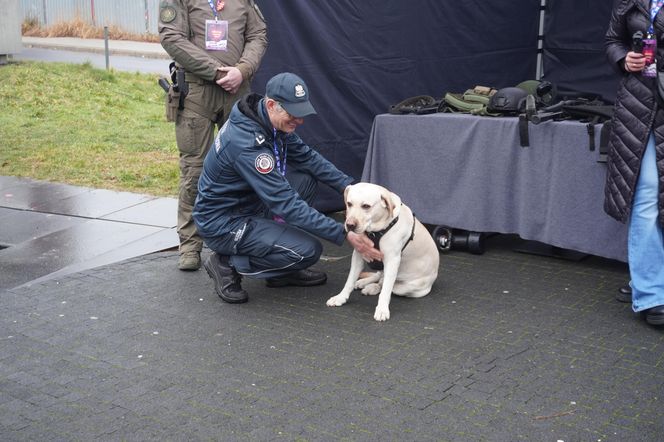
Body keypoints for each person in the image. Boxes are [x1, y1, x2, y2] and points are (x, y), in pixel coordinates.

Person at [193, 72, 382, 303]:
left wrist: (349, 188)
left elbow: (308, 158)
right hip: (224, 223)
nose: (299, 121)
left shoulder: (267, 121)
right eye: (294, 114)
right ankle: (226, 263)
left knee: (306, 179)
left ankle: (280, 273)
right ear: (272, 105)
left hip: (250, 205)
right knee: (309, 250)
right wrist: (344, 233)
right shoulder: (246, 144)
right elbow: (286, 204)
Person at [158, 0, 268, 271]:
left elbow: (258, 35)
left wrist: (241, 71)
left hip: (238, 94)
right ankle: (190, 245)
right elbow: (171, 37)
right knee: (195, 171)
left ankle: (240, 240)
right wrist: (215, 71)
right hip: (196, 92)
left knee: (243, 169)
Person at [605, 0, 664, 326]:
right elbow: (612, 41)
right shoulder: (628, 1)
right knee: (647, 195)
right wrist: (623, 58)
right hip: (639, 105)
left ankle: (649, 278)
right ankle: (652, 292)